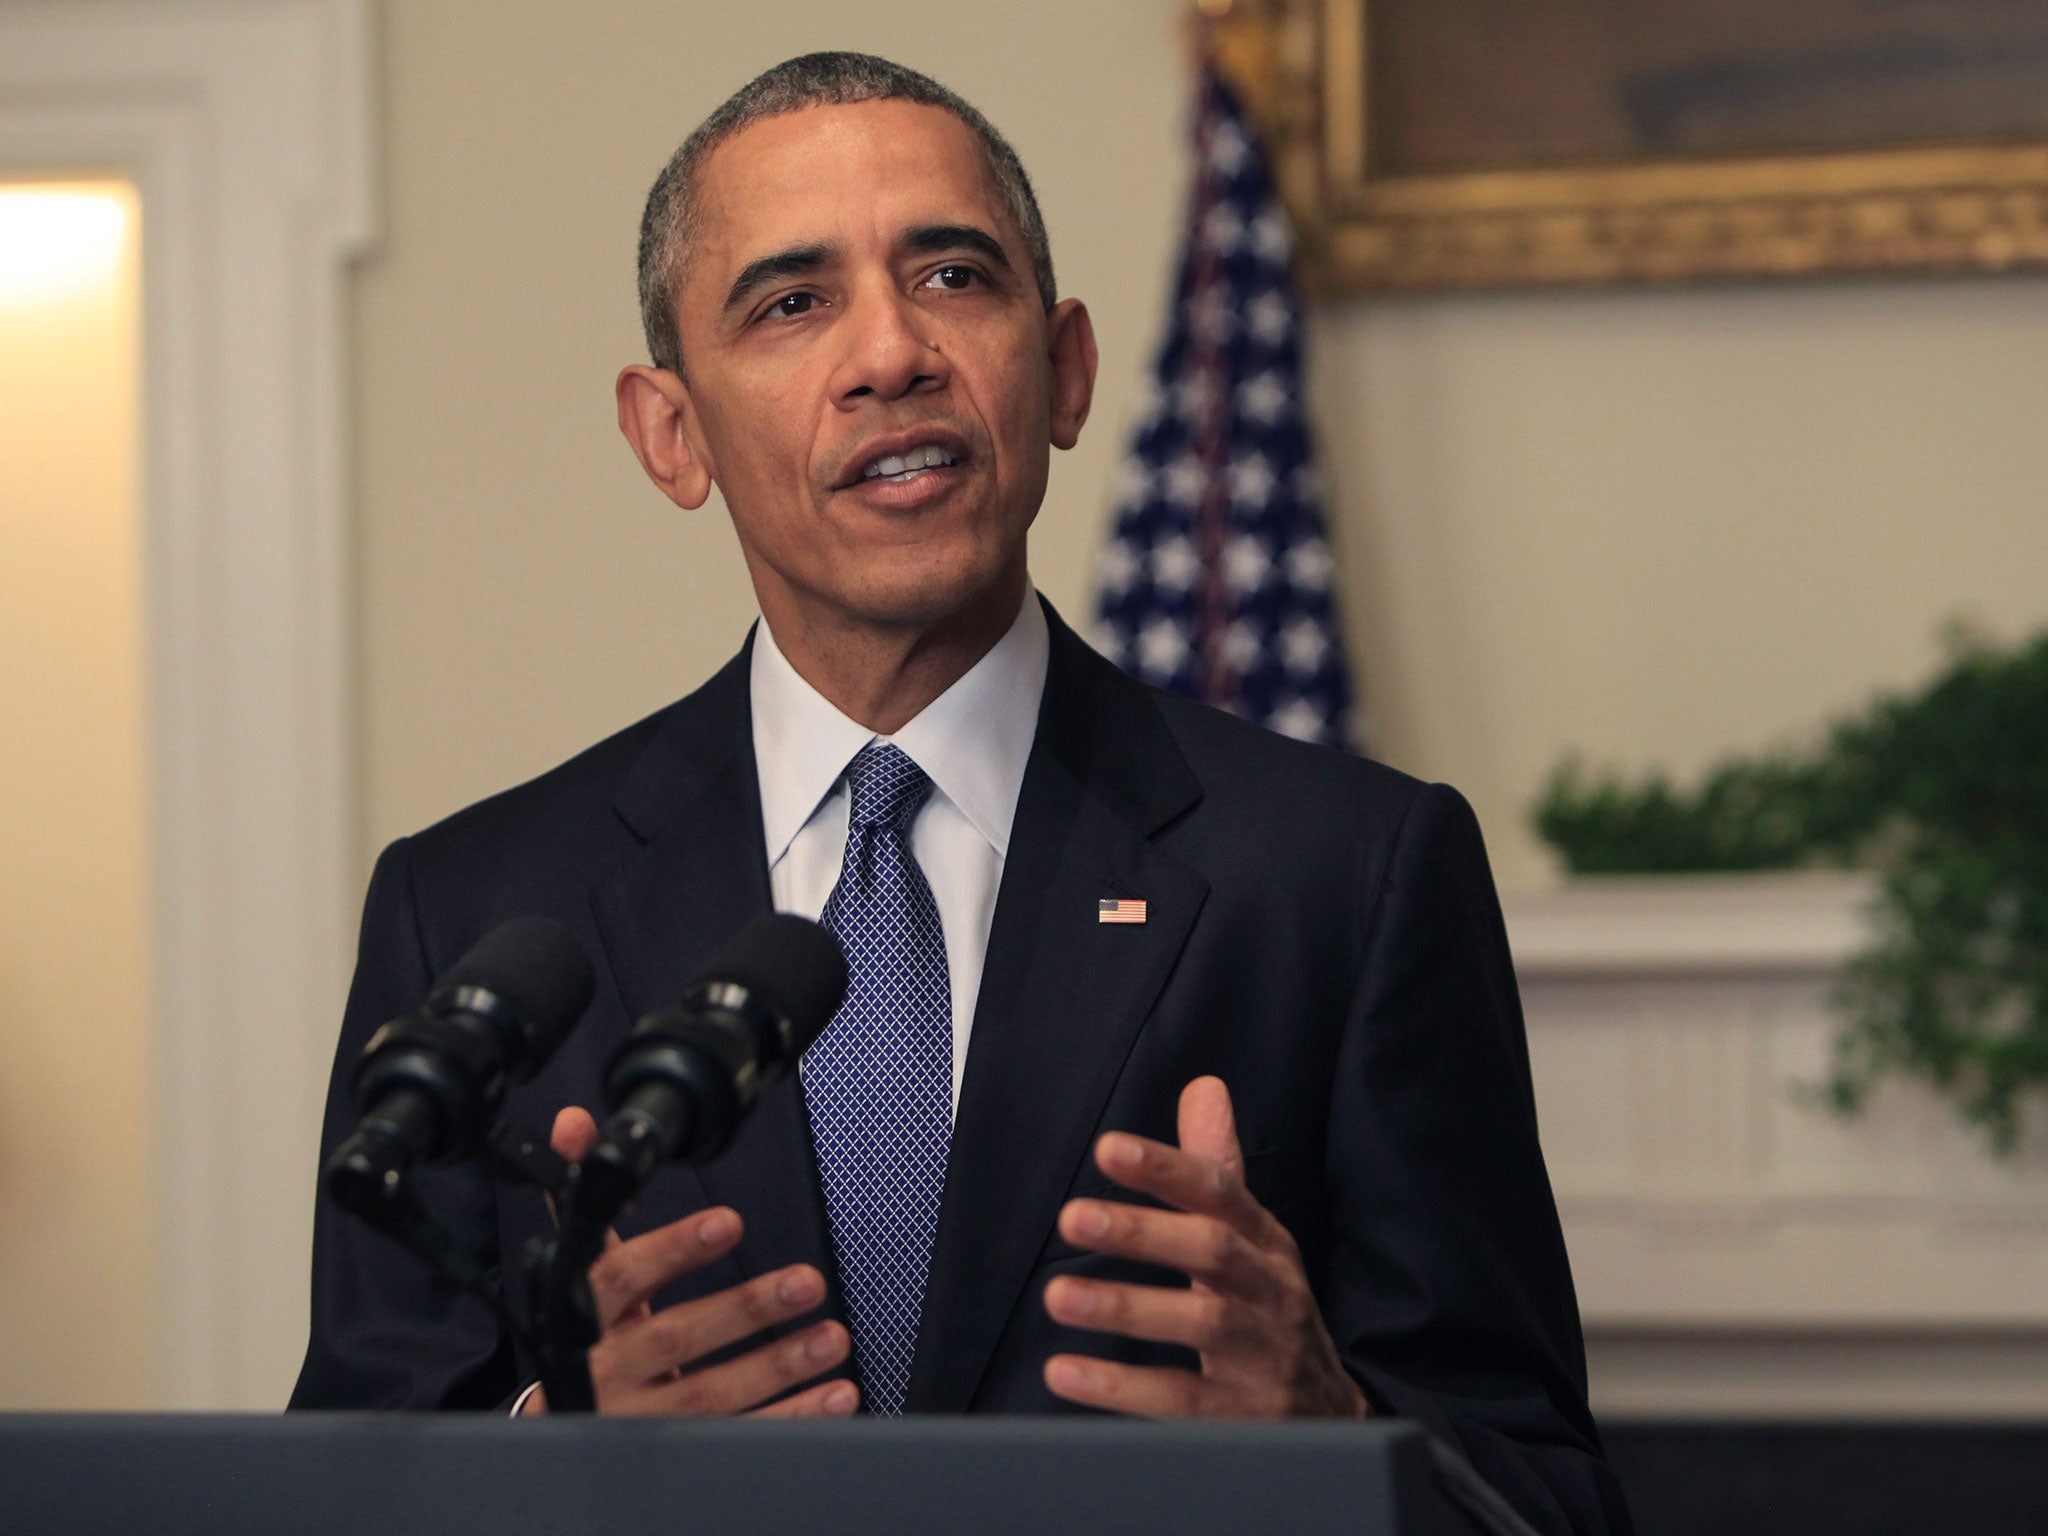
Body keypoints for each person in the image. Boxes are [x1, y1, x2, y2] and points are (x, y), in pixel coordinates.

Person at [291, 52, 1630, 1536]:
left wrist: (1337, 1434)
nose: (891, 354)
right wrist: (551, 1452)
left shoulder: (1345, 875)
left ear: (1061, 370)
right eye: (792, 302)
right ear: (671, 434)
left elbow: (1544, 1502)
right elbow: (341, 1483)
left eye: (951, 275)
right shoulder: (476, 910)